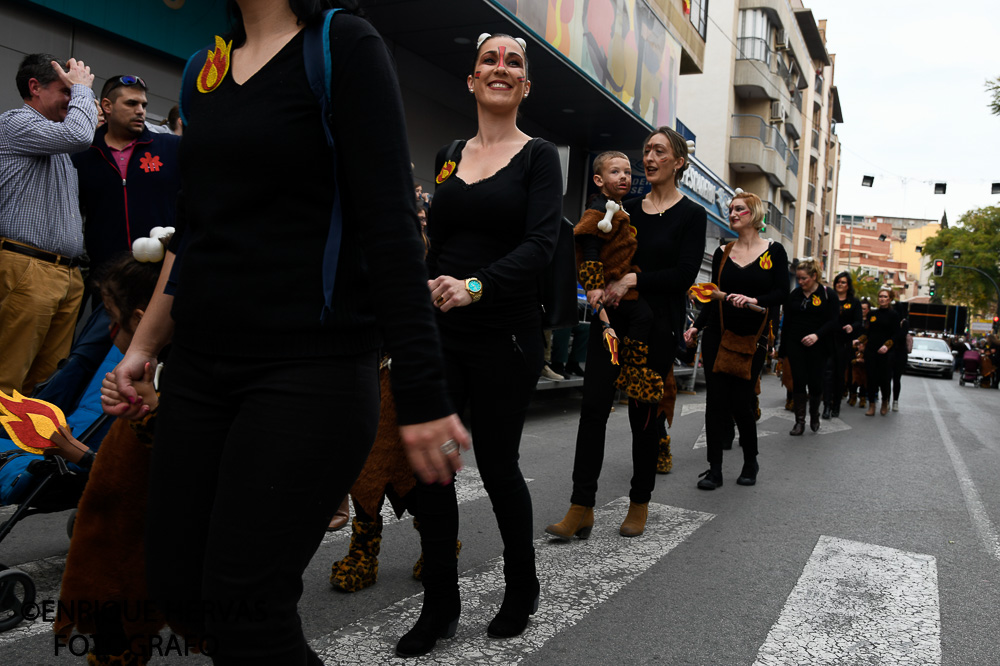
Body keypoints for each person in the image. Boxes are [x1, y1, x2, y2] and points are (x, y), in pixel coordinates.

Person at [106, 2, 468, 664]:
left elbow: (391, 226)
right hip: (201, 369)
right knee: (179, 589)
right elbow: (194, 233)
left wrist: (422, 391)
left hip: (311, 372)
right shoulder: (203, 72)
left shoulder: (340, 45)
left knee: (246, 606)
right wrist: (142, 348)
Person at [397, 32, 562, 658]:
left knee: (496, 464)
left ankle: (521, 586)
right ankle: (439, 605)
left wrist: (476, 285)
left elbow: (541, 245)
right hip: (442, 332)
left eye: (513, 63)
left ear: (525, 85)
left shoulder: (540, 157)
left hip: (505, 334)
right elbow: (436, 244)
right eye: (489, 60)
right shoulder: (447, 154)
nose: (500, 68)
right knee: (432, 469)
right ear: (471, 80)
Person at [546, 126, 706, 540]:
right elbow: (592, 246)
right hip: (612, 324)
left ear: (679, 161)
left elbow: (684, 274)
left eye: (658, 151)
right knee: (593, 410)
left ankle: (639, 502)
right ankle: (581, 506)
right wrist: (597, 284)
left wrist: (633, 280)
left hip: (656, 326)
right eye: (645, 151)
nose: (648, 158)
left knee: (643, 416)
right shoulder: (625, 207)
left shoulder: (691, 214)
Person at [53, 237, 175, 665]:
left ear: (142, 320)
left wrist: (79, 455)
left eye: (112, 318)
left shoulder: (177, 385)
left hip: (144, 563)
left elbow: (171, 473)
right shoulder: (139, 375)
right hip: (119, 563)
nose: (107, 333)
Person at [0, 54, 97, 395]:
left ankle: (18, 450)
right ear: (34, 88)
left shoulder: (53, 138)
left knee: (42, 386)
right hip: (27, 268)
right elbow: (81, 136)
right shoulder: (15, 123)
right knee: (6, 379)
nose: (72, 101)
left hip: (64, 275)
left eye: (74, 93)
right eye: (65, 91)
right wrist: (84, 89)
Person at [683, 190, 788, 489]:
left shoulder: (774, 252)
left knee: (742, 401)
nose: (733, 213)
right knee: (715, 403)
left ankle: (750, 461)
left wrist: (755, 298)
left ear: (754, 214)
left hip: (752, 337)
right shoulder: (722, 252)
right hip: (719, 332)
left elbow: (781, 293)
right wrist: (696, 326)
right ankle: (714, 469)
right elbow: (713, 295)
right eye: (731, 208)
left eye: (739, 209)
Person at [72, 74, 181, 299]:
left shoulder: (171, 148)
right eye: (131, 103)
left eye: (143, 104)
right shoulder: (83, 156)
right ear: (107, 106)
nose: (140, 110)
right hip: (107, 279)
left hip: (161, 277)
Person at [573, 150, 663, 402]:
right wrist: (593, 287)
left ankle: (631, 370)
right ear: (599, 180)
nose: (624, 177)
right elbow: (589, 246)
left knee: (641, 317)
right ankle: (632, 372)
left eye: (627, 172)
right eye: (615, 172)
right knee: (642, 316)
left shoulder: (619, 208)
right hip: (607, 285)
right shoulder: (598, 208)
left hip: (621, 280)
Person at [780, 258, 838, 435]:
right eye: (798, 278)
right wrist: (782, 350)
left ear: (814, 276)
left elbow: (834, 321)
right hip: (795, 344)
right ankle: (799, 422)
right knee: (798, 380)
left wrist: (816, 335)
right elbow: (787, 323)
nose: (800, 282)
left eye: (804, 278)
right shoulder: (794, 296)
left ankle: (814, 415)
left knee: (815, 382)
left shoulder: (828, 295)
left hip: (818, 345)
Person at [822, 271, 862, 418]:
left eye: (843, 282)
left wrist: (852, 326)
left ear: (848, 286)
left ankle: (836, 406)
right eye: (838, 281)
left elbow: (859, 322)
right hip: (828, 340)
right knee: (827, 374)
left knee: (839, 376)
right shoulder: (829, 299)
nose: (840, 284)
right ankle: (826, 405)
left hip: (843, 343)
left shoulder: (854, 302)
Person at [857, 286, 901, 416]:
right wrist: (860, 341)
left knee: (885, 379)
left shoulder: (894, 315)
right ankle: (871, 405)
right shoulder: (872, 314)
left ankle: (884, 402)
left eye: (885, 297)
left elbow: (897, 334)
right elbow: (867, 332)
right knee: (871, 378)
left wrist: (887, 346)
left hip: (886, 352)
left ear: (890, 299)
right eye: (880, 296)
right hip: (871, 350)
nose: (882, 299)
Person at [890, 304, 910, 411]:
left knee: (897, 379)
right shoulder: (890, 320)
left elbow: (901, 336)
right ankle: (886, 400)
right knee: (887, 378)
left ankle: (895, 401)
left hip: (899, 354)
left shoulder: (904, 322)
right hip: (890, 352)